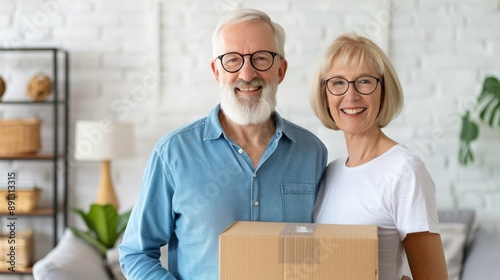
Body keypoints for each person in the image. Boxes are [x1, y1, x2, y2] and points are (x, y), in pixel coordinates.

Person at [119, 8, 328, 280]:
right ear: (217, 71)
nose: (247, 73)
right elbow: (136, 252)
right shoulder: (173, 154)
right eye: (232, 60)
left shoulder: (311, 152)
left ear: (281, 70)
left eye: (261, 58)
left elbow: (326, 245)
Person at [310, 33, 448, 280]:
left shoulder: (405, 171)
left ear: (383, 91)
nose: (351, 96)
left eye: (364, 82)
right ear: (325, 96)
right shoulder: (330, 171)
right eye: (338, 83)